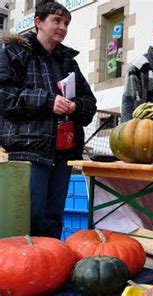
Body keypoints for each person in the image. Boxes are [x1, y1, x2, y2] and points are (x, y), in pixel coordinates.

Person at [0, 1, 97, 238]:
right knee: (27, 222)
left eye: (66, 23)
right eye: (56, 21)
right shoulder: (15, 52)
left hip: (63, 153)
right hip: (28, 152)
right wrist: (47, 101)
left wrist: (75, 106)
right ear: (38, 23)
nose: (62, 27)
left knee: (53, 221)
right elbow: (3, 95)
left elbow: (90, 104)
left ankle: (49, 272)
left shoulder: (67, 62)